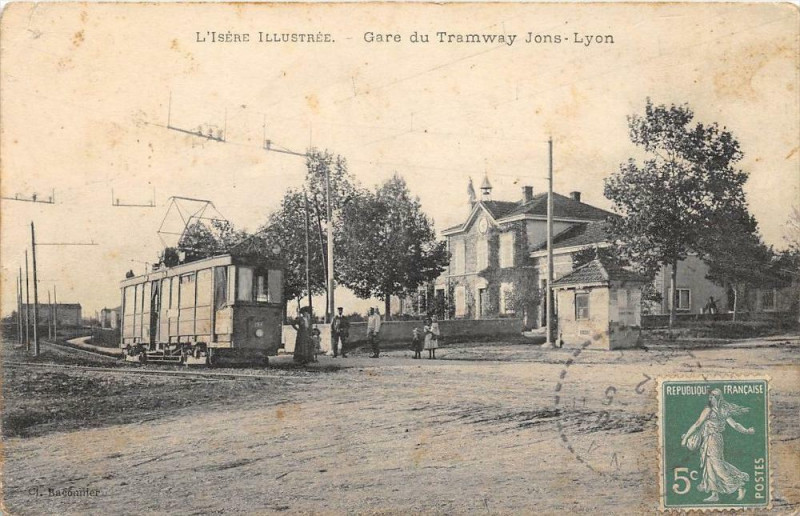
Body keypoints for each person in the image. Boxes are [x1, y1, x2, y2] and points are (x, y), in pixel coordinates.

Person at [681, 388, 754, 502]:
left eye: (712, 397)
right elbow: (734, 425)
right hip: (712, 439)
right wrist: (746, 431)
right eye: (709, 397)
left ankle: (739, 485)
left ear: (717, 398)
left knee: (717, 465)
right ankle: (714, 494)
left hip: (713, 439)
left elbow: (697, 424)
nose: (710, 399)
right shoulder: (721, 410)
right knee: (710, 464)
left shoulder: (711, 410)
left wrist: (685, 438)